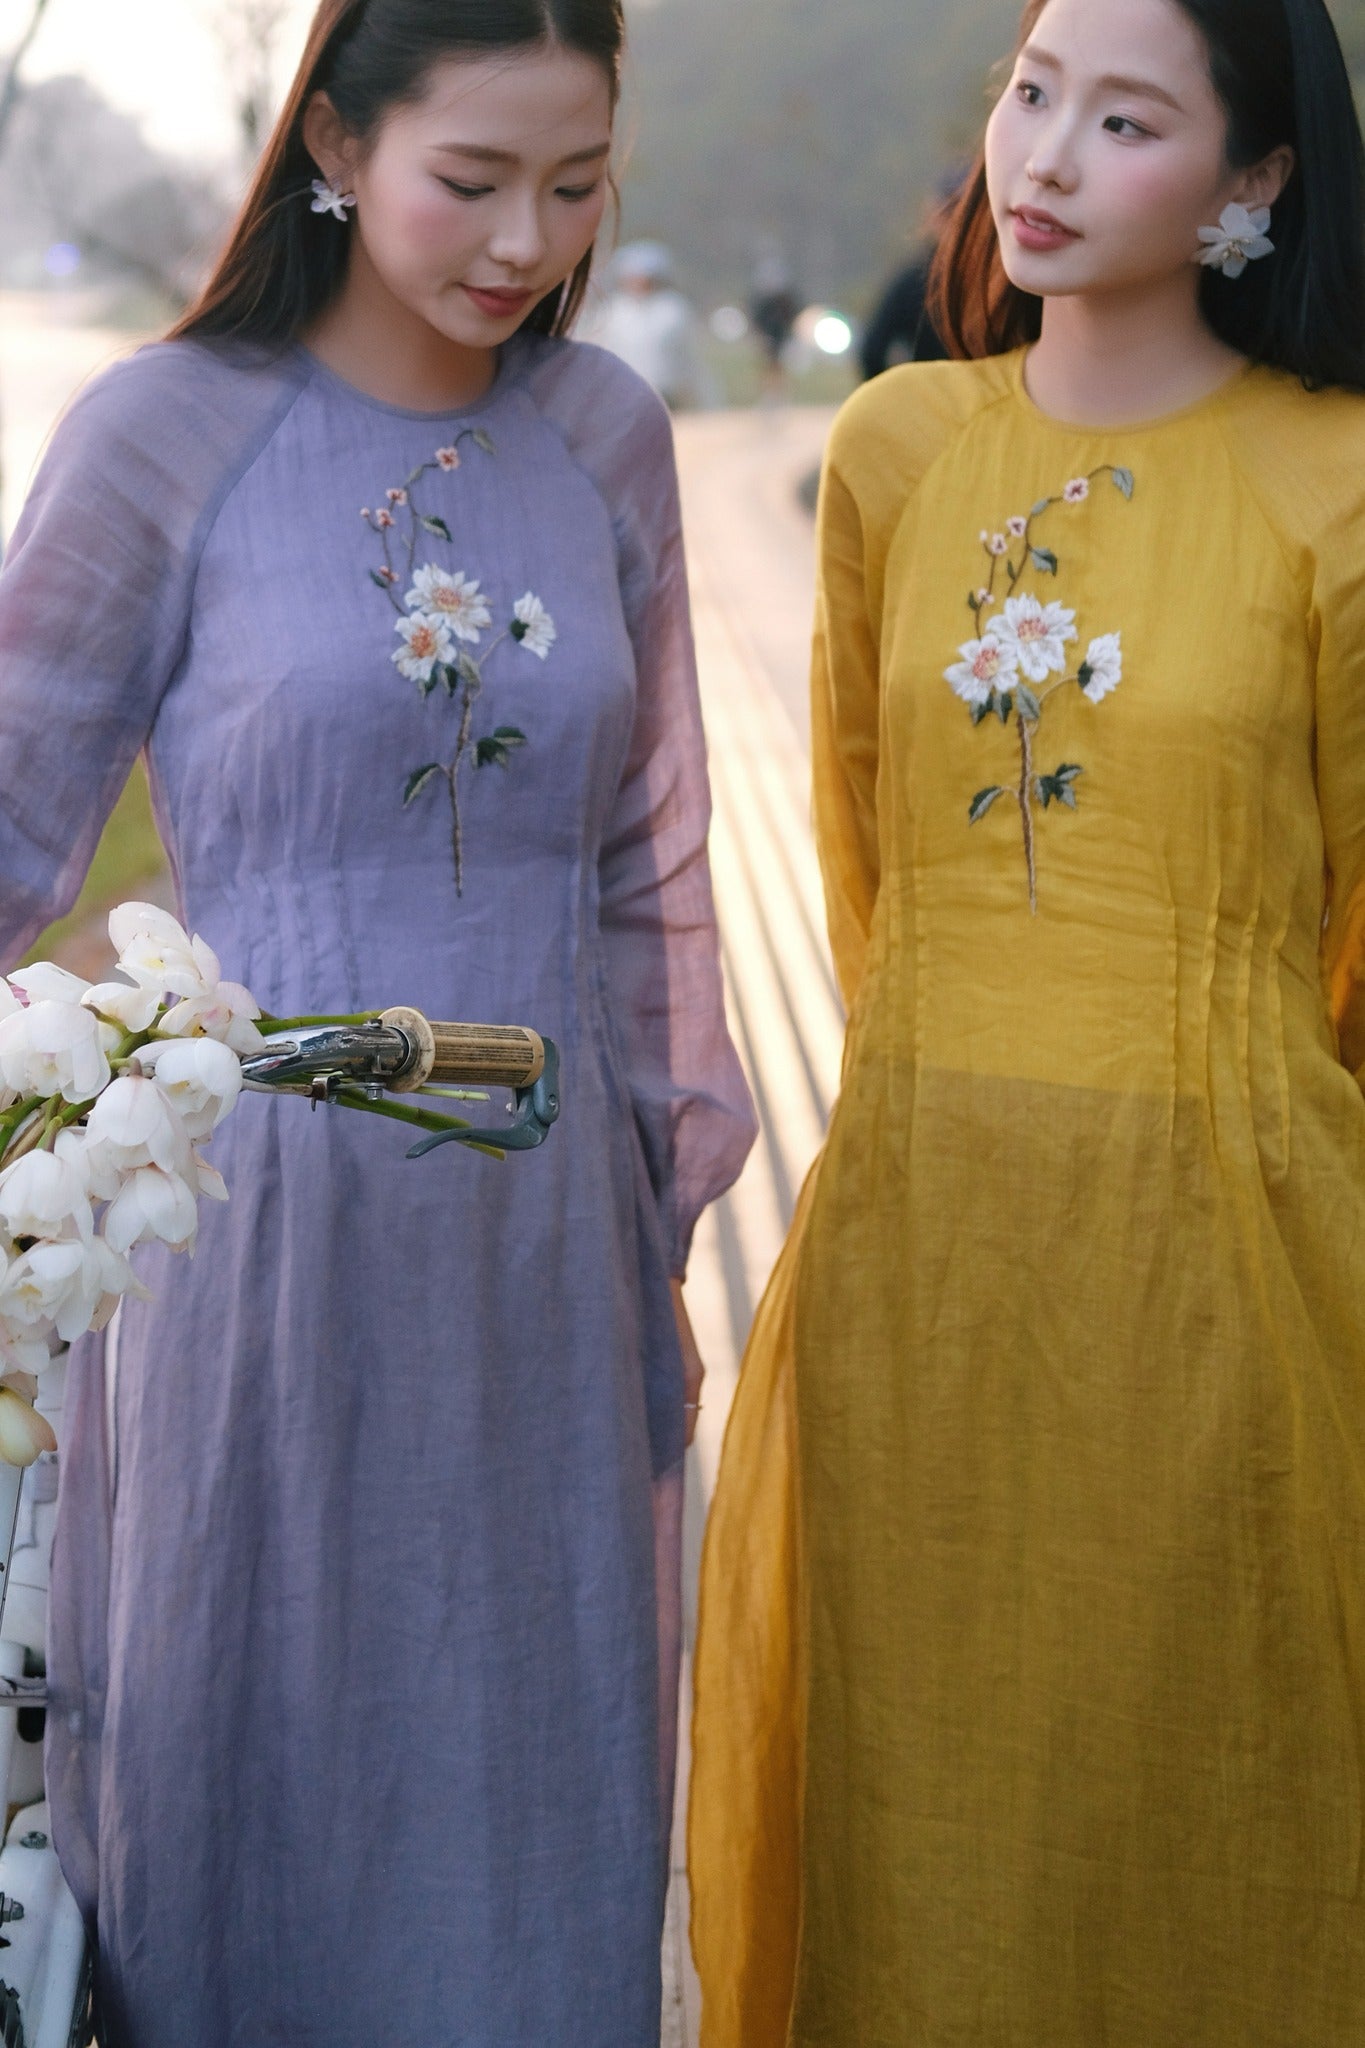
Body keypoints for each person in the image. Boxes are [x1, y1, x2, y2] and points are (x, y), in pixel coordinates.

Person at [0, 1, 756, 2041]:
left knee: (522, 1786)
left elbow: (650, 860)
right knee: (251, 1784)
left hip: (538, 1260)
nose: (527, 239)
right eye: (472, 178)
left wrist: (660, 1200)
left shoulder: (604, 430)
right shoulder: (165, 434)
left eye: (576, 184)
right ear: (331, 137)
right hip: (249, 1242)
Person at [690, 0, 1365, 2042]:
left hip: (1222, 1264)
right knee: (920, 1832)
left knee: (1204, 1815)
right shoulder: (898, 443)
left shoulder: (1338, 482)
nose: (1045, 153)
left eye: (1127, 117)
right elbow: (859, 857)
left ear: (1251, 180)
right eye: (1030, 88)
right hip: (924, 1249)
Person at [581, 239, 717, 409]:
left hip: (668, 395)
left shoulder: (673, 309)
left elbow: (691, 359)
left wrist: (706, 401)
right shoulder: (613, 312)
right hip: (623, 395)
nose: (637, 282)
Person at [858, 169, 963, 379]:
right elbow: (872, 351)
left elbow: (872, 350)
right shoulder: (998, 281)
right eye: (952, 211)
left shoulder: (913, 278)